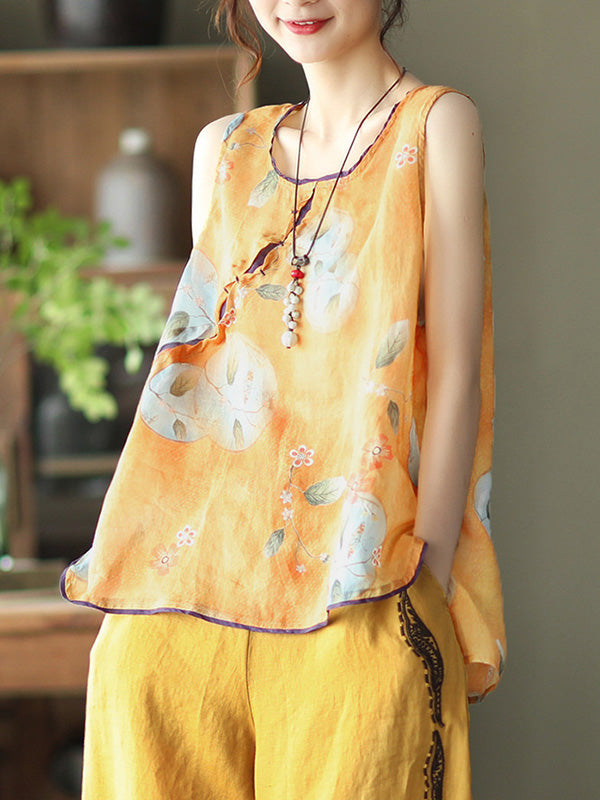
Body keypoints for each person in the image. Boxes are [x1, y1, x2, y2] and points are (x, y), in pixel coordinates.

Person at [61, 2, 507, 798]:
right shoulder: (224, 149)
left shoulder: (435, 125)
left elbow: (457, 377)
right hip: (184, 593)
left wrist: (423, 587)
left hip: (361, 584)